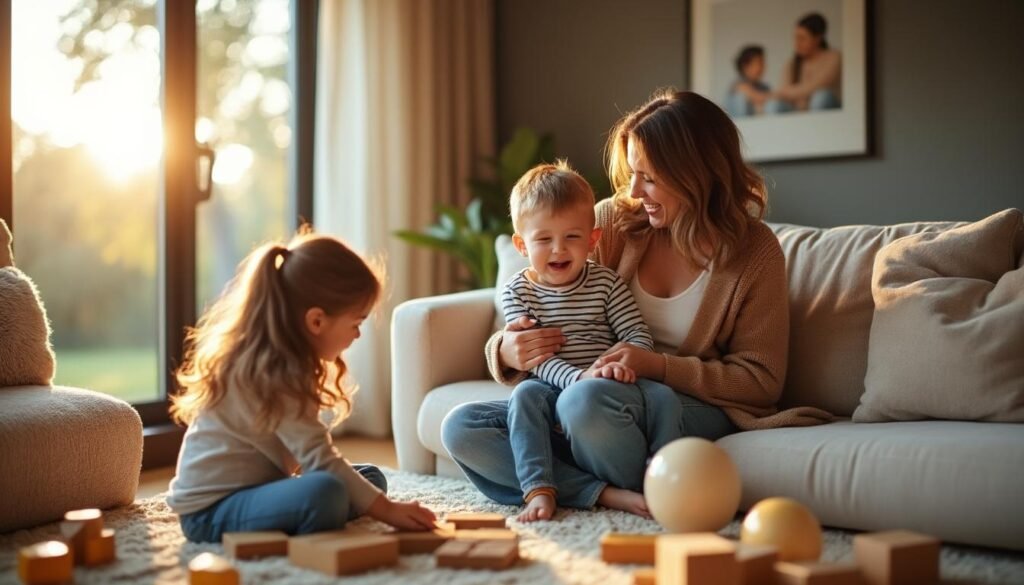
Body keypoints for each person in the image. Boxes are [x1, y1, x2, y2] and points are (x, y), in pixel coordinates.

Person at [441, 90, 832, 519]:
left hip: (676, 403)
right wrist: (505, 350)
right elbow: (553, 298)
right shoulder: (614, 222)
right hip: (589, 389)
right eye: (632, 173)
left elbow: (761, 381)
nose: (632, 190)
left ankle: (590, 476)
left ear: (693, 173)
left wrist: (657, 366)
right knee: (462, 427)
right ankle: (602, 491)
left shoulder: (754, 252)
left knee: (582, 403)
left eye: (648, 177)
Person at [166, 231, 436, 542]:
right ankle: (315, 513)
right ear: (316, 321)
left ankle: (312, 512)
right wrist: (387, 511)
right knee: (328, 492)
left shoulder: (286, 362)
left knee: (371, 479)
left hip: (260, 487)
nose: (358, 335)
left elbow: (306, 456)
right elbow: (319, 458)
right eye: (356, 323)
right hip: (210, 512)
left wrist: (375, 502)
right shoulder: (272, 373)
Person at [501, 161, 656, 522]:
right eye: (544, 239)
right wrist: (575, 377)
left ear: (593, 239)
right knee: (514, 400)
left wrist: (618, 365)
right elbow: (535, 358)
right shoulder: (517, 292)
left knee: (656, 397)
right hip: (547, 388)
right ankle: (539, 489)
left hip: (598, 392)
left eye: (572, 237)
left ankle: (593, 484)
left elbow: (637, 335)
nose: (559, 249)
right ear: (521, 245)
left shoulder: (607, 284)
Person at [765, 12, 842, 113]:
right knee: (774, 105)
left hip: (828, 110)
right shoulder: (791, 64)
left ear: (818, 38)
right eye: (796, 38)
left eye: (802, 38)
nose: (797, 43)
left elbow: (817, 86)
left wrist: (790, 93)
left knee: (820, 97)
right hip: (798, 111)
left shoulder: (834, 57)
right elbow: (782, 93)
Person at [726, 45, 771, 117]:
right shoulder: (738, 85)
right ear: (745, 66)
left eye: (763, 63)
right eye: (759, 63)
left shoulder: (764, 87)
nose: (763, 67)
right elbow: (758, 97)